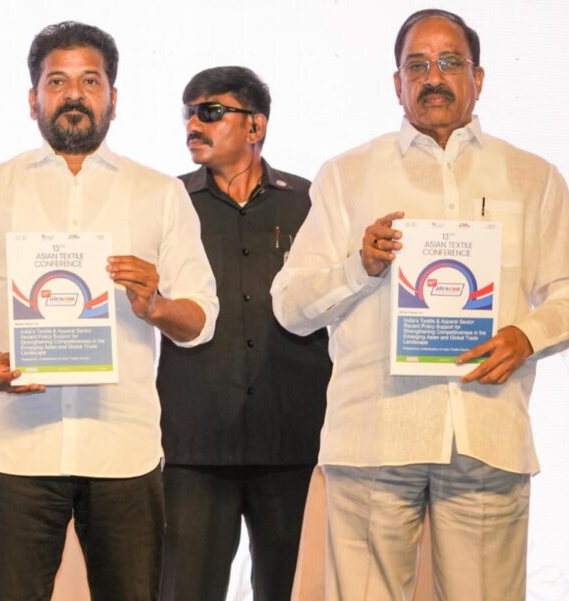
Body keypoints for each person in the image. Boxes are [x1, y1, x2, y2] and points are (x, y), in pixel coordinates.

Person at [271, 9, 569, 600]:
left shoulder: (532, 177)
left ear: (477, 78)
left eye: (449, 62)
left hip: (486, 434)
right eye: (417, 65)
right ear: (397, 83)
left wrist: (526, 337)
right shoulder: (346, 175)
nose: (433, 77)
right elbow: (290, 306)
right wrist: (360, 266)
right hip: (375, 434)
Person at [0, 21, 218, 601]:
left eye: (90, 80)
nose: (74, 94)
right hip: (19, 450)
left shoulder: (159, 192)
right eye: (57, 81)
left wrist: (155, 306)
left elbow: (200, 319)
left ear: (113, 97)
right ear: (33, 98)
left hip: (124, 451)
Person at [157, 67, 330, 601]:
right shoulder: (167, 202)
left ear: (255, 126)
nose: (194, 123)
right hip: (195, 442)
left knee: (291, 591)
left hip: (291, 437)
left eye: (210, 111)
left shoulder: (309, 203)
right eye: (188, 112)